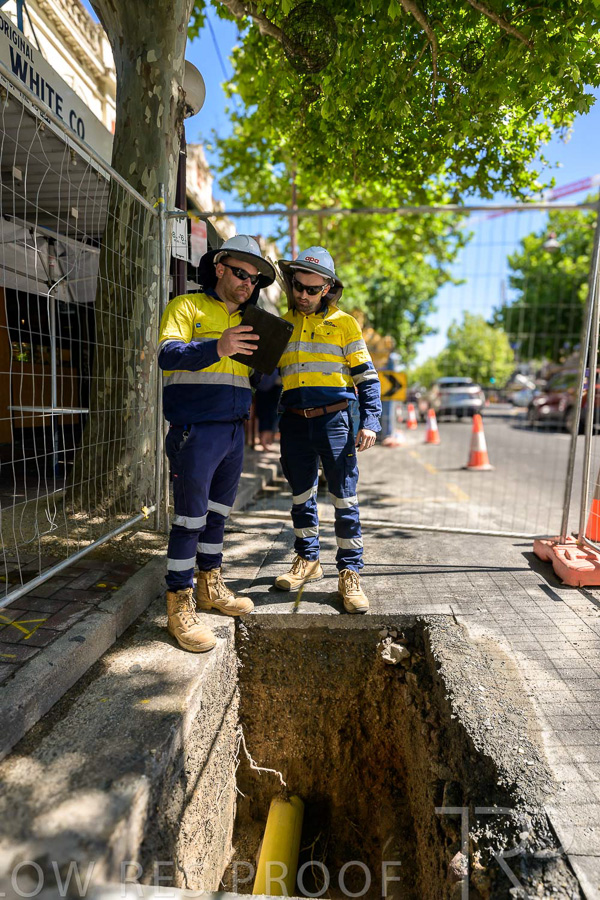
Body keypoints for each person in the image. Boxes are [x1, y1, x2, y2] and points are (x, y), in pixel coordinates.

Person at [158, 235, 276, 652]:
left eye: (255, 279)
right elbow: (167, 356)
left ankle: (209, 585)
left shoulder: (251, 320)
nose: (248, 283)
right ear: (220, 267)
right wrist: (218, 345)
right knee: (189, 519)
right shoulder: (186, 306)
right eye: (242, 273)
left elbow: (252, 379)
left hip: (233, 431)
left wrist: (267, 368)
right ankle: (178, 603)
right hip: (195, 430)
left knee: (217, 516)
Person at [274, 247, 382, 613]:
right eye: (298, 287)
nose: (303, 295)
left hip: (335, 421)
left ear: (327, 289)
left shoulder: (345, 323)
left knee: (344, 497)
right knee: (300, 495)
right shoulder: (281, 324)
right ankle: (308, 559)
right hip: (293, 420)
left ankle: (350, 572)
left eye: (312, 290)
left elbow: (367, 377)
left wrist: (370, 420)